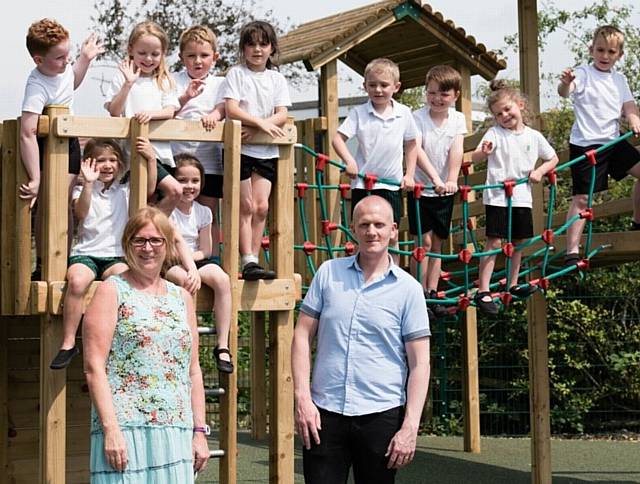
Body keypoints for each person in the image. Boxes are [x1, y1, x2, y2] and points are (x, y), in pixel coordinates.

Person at [292, 195, 430, 484]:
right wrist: (303, 399)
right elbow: (302, 335)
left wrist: (410, 427)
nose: (372, 232)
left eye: (379, 224)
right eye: (364, 224)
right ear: (353, 229)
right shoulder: (328, 273)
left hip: (381, 415)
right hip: (323, 414)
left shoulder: (409, 290)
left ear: (393, 230)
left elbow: (420, 364)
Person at [83, 207, 209, 482]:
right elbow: (94, 367)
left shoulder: (182, 298)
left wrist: (199, 432)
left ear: (167, 245)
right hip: (126, 433)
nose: (147, 248)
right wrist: (111, 429)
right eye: (139, 240)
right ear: (127, 245)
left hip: (176, 431)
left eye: (155, 240)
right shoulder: (111, 291)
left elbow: (193, 371)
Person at [50, 138, 157, 370]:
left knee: (123, 283)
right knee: (77, 281)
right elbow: (81, 212)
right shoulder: (81, 189)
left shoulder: (125, 190)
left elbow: (148, 190)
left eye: (112, 160)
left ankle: (122, 340)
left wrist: (151, 159)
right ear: (89, 164)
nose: (107, 165)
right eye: (100, 161)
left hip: (116, 256)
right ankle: (68, 343)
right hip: (87, 252)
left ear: (120, 164)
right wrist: (88, 184)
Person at [20, 19, 104, 278]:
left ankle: (64, 259)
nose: (66, 61)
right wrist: (36, 178)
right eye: (59, 57)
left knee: (64, 204)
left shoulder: (63, 69)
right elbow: (27, 131)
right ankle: (45, 263)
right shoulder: (37, 85)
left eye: (68, 55)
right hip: (45, 146)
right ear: (38, 60)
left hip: (68, 144)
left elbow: (72, 80)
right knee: (47, 205)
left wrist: (86, 59)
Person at [471, 80, 559, 315]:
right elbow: (476, 157)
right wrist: (484, 152)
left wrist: (539, 171)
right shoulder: (494, 133)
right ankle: (484, 289)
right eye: (499, 114)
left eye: (508, 109)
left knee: (518, 242)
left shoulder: (534, 136)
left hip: (521, 196)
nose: (505, 115)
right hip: (499, 195)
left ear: (520, 105)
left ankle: (513, 283)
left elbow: (553, 158)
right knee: (494, 242)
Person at [558, 25, 640, 265]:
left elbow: (629, 106)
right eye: (600, 50)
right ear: (591, 49)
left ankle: (637, 221)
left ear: (619, 55)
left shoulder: (619, 79)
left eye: (611, 52)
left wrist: (634, 120)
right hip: (586, 145)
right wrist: (565, 82)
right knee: (583, 199)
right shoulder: (583, 74)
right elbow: (565, 92)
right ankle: (571, 250)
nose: (605, 56)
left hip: (612, 141)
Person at [220, 20, 291, 280]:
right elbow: (232, 109)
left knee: (261, 207)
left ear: (272, 48)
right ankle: (247, 257)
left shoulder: (277, 78)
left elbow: (282, 113)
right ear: (243, 49)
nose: (257, 50)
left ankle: (255, 260)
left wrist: (260, 130)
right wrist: (259, 123)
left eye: (263, 44)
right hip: (240, 149)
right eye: (251, 44)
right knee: (245, 205)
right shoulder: (237, 74)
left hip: (266, 150)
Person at [332, 58, 418, 260]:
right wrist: (349, 161)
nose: (378, 90)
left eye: (384, 85)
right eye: (372, 85)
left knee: (391, 234)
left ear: (396, 87)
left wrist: (410, 174)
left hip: (391, 184)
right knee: (362, 234)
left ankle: (392, 277)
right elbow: (338, 139)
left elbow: (412, 144)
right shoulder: (359, 113)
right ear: (365, 86)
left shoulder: (403, 113)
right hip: (363, 183)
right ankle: (361, 275)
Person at [104, 20, 182, 214]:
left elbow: (170, 110)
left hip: (160, 153)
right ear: (131, 50)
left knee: (160, 197)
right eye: (142, 53)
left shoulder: (163, 80)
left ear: (163, 54)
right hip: (133, 153)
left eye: (155, 54)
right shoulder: (122, 78)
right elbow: (114, 110)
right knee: (171, 190)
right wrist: (128, 84)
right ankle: (146, 229)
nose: (148, 59)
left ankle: (151, 229)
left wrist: (151, 114)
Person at [166, 154, 233, 373]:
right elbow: (170, 248)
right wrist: (189, 267)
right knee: (186, 281)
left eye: (194, 181)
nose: (189, 186)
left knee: (222, 279)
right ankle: (189, 343)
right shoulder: (168, 211)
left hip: (196, 259)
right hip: (173, 261)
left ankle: (223, 345)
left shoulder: (203, 212)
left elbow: (205, 249)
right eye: (183, 180)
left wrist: (193, 264)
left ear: (201, 183)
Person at [409, 65, 466, 318]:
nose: (437, 99)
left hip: (444, 189)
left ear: (455, 95)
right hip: (421, 187)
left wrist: (451, 178)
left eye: (443, 94)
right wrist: (434, 178)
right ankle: (417, 292)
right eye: (431, 93)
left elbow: (457, 150)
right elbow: (416, 150)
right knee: (423, 241)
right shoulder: (417, 117)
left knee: (438, 243)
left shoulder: (457, 119)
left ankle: (432, 293)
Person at [171, 25, 226, 260]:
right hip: (178, 158)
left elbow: (225, 106)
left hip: (209, 161)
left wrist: (215, 114)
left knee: (208, 213)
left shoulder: (220, 83)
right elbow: (168, 109)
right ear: (182, 57)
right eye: (191, 56)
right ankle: (175, 257)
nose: (198, 61)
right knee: (175, 210)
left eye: (204, 55)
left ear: (215, 56)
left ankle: (210, 258)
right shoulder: (173, 81)